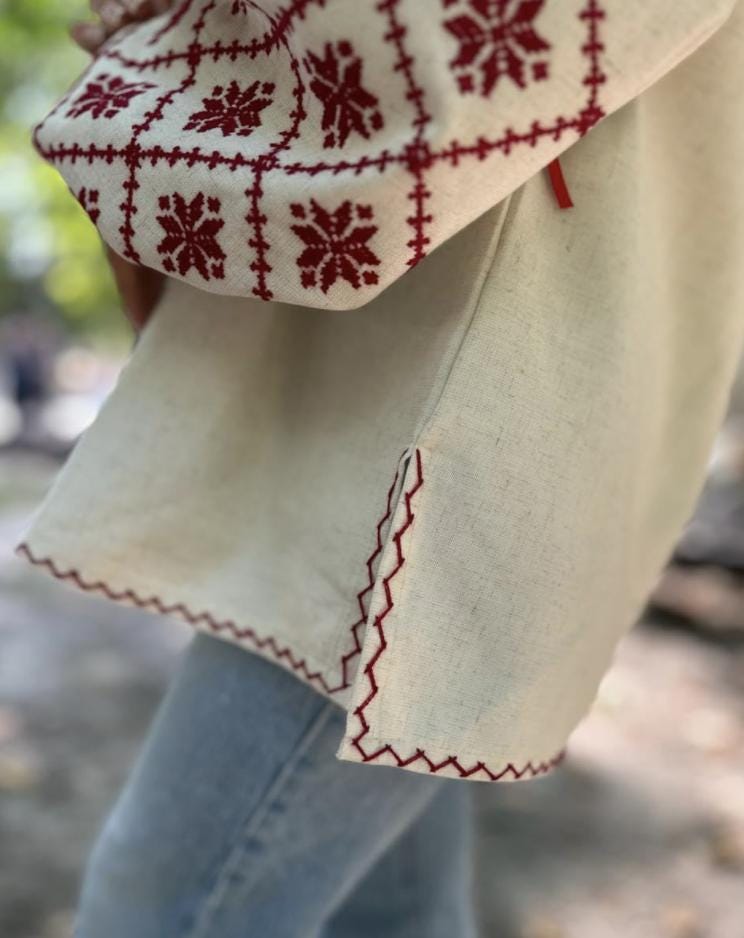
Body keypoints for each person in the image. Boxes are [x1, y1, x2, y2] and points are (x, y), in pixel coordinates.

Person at [14, 0, 744, 934]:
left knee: (161, 901)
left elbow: (442, 67)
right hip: (433, 417)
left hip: (454, 448)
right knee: (393, 913)